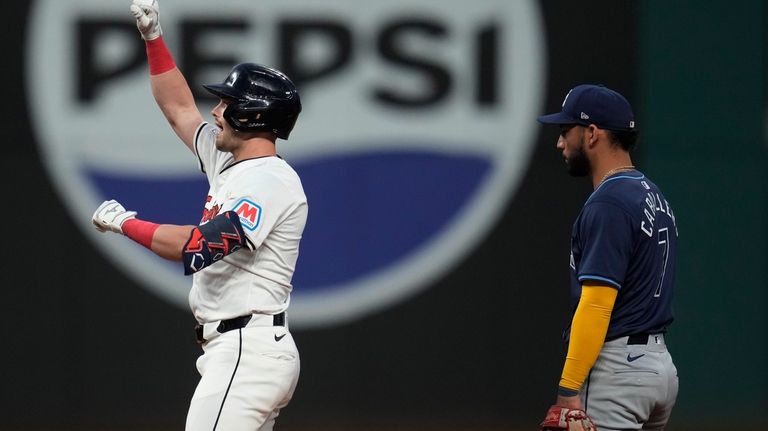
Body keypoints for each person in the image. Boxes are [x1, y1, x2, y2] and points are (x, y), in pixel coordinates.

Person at [91, 1, 307, 429]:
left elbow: (199, 247)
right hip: (242, 349)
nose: (216, 110)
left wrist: (124, 223)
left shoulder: (270, 180)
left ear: (252, 115)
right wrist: (153, 39)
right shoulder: (229, 160)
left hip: (248, 350)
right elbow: (178, 109)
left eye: (227, 103)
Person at [536, 84, 679, 431]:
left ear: (592, 133)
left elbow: (598, 303)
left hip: (617, 372)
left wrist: (569, 389)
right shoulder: (652, 195)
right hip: (659, 367)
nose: (560, 143)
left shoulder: (609, 203)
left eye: (565, 131)